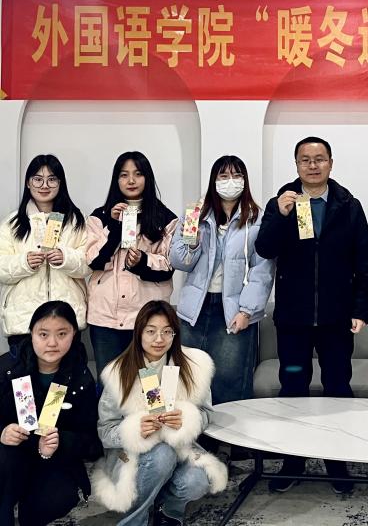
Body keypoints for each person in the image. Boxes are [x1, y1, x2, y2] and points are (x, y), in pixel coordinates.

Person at [255, 136, 368, 494]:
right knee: (293, 388)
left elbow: (364, 262)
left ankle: (337, 460)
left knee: (337, 388)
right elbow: (265, 248)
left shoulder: (348, 205)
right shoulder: (282, 202)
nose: (312, 165)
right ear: (296, 165)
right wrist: (281, 215)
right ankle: (293, 461)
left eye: (319, 158)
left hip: (337, 319)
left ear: (330, 163)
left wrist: (360, 309)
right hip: (293, 319)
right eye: (305, 159)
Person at [92, 300, 227, 526]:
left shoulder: (195, 366)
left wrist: (188, 420)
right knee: (162, 455)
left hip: (181, 449)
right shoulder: (118, 373)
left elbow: (207, 414)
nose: (159, 339)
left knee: (197, 481)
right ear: (139, 333)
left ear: (175, 334)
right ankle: (135, 520)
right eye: (151, 331)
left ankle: (168, 511)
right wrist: (134, 431)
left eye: (167, 331)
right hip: (132, 456)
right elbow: (105, 431)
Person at [170, 156, 274, 405]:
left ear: (245, 181)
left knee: (230, 381)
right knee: (188, 379)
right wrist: (192, 242)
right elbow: (179, 261)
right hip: (195, 308)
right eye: (223, 176)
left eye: (236, 176)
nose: (230, 181)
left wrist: (247, 311)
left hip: (235, 310)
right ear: (213, 181)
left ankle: (231, 431)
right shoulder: (195, 214)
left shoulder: (257, 218)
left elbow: (262, 270)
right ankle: (192, 429)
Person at [0, 301, 102, 525]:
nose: (52, 343)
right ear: (32, 333)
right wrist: (2, 432)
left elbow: (92, 443)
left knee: (54, 499)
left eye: (62, 333)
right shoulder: (8, 368)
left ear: (74, 334)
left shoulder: (81, 378)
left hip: (54, 461)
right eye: (43, 334)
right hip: (11, 455)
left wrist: (59, 441)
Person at [86, 151, 178, 377]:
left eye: (138, 174)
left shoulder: (165, 218)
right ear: (116, 179)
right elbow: (93, 261)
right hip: (105, 318)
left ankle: (149, 405)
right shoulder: (100, 216)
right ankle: (111, 405)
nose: (131, 180)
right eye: (124, 175)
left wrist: (143, 261)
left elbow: (169, 266)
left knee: (149, 384)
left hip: (147, 320)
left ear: (147, 178)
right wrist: (115, 225)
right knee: (110, 382)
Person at [0, 155, 89, 355]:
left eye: (52, 179)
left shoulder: (77, 221)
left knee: (64, 375)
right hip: (23, 321)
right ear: (28, 183)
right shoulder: (12, 223)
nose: (44, 185)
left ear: (60, 183)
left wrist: (66, 258)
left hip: (66, 319)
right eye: (38, 179)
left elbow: (90, 262)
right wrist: (24, 262)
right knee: (24, 374)